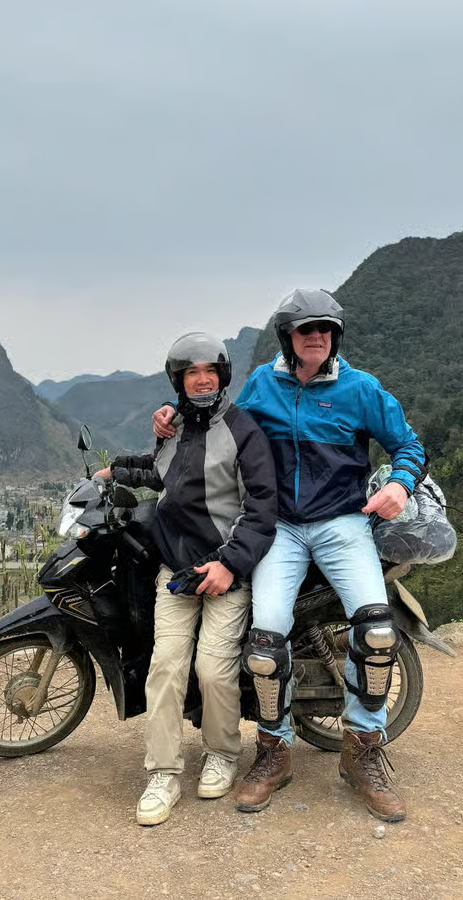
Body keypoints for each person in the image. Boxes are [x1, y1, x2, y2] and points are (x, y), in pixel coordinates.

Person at [151, 289, 427, 822]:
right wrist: (170, 417)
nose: (317, 337)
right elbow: (216, 421)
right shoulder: (262, 385)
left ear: (336, 335)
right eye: (306, 330)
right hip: (280, 527)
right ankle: (274, 751)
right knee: (265, 640)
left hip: (343, 522)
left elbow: (409, 445)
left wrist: (401, 483)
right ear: (288, 337)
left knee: (376, 630)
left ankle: (362, 750)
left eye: (325, 328)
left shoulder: (360, 388)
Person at [96, 332, 277, 826]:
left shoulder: (244, 431)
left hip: (225, 573)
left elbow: (261, 509)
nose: (202, 380)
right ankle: (163, 772)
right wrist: (112, 472)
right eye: (191, 373)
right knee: (165, 668)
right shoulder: (173, 428)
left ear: (222, 377)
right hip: (176, 571)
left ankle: (221, 752)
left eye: (210, 372)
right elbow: (163, 475)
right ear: (179, 382)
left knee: (213, 670)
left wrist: (229, 564)